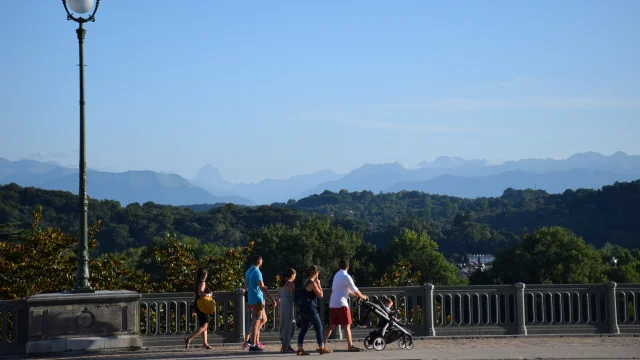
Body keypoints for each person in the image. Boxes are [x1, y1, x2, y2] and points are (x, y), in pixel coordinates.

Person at [323, 259, 367, 352]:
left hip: (333, 303)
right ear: (348, 267)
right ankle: (350, 346)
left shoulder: (336, 275)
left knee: (332, 325)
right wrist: (363, 296)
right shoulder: (346, 276)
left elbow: (345, 289)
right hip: (342, 304)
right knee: (347, 326)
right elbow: (354, 289)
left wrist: (354, 295)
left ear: (339, 266)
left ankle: (322, 344)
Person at [244, 255, 278, 352]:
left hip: (252, 298)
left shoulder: (249, 271)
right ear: (259, 261)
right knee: (256, 322)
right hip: (257, 299)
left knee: (264, 319)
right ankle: (253, 345)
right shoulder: (257, 272)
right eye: (262, 260)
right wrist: (271, 299)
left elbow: (245, 286)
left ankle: (252, 338)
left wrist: (248, 300)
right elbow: (262, 287)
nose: (262, 261)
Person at [296, 265, 332, 355]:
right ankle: (321, 347)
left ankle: (300, 348)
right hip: (310, 308)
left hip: (303, 308)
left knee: (304, 329)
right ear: (316, 273)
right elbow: (320, 295)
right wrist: (319, 283)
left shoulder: (306, 281)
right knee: (319, 327)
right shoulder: (313, 283)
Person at [185, 268, 214, 349]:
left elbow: (195, 295)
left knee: (203, 324)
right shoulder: (202, 282)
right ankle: (189, 338)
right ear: (204, 275)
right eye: (207, 273)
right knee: (204, 326)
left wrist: (194, 308)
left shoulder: (196, 282)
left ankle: (205, 344)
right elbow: (200, 292)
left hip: (198, 304)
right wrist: (208, 295)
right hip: (203, 305)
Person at [278, 268, 297, 353]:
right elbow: (293, 296)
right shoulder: (291, 285)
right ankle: (287, 345)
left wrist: (278, 309)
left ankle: (283, 344)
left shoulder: (281, 284)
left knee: (283, 324)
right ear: (292, 275)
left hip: (282, 304)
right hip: (288, 303)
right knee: (290, 324)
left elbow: (278, 296)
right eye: (295, 275)